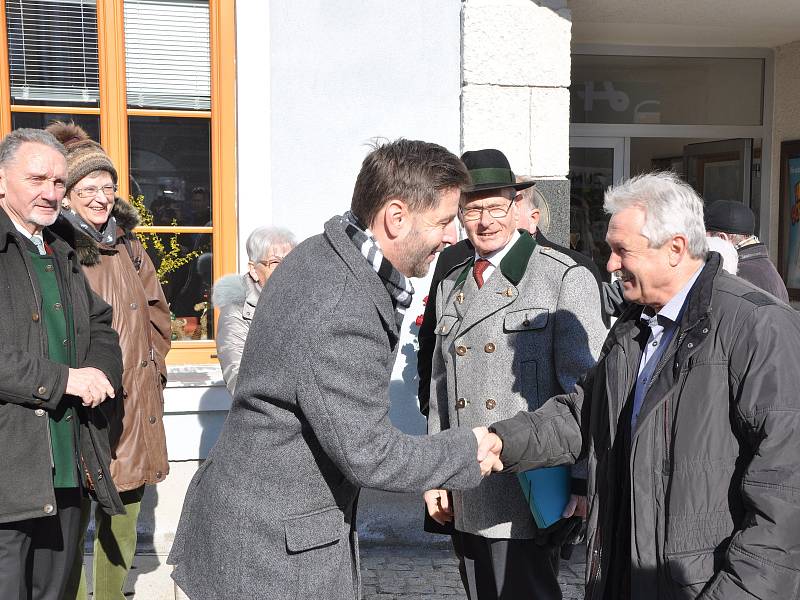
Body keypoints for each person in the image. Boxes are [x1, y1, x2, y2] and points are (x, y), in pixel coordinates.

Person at [168, 139, 503, 600]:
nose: (453, 237)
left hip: (258, 524)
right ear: (396, 216)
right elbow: (370, 454)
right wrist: (468, 448)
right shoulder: (342, 305)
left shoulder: (324, 251)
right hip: (272, 553)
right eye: (444, 221)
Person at [479, 172, 800, 599]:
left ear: (675, 249)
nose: (609, 265)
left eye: (620, 250)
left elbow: (785, 493)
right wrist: (500, 442)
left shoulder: (759, 326)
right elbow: (586, 412)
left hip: (702, 586)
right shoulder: (635, 324)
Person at [425, 149, 606, 600]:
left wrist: (584, 481)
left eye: (495, 206)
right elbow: (440, 391)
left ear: (518, 205)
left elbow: (588, 390)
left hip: (529, 489)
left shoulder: (563, 277)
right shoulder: (453, 280)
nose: (485, 220)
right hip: (466, 485)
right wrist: (434, 475)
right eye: (472, 208)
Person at [45, 122, 172, 600]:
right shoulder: (57, 247)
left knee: (125, 511)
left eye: (108, 187)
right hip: (82, 403)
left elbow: (158, 316)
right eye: (89, 188)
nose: (101, 198)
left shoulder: (129, 245)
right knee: (72, 514)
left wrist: (152, 369)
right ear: (68, 194)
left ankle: (110, 595)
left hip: (135, 400)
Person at [0, 128, 124, 600]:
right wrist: (64, 379)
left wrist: (98, 377)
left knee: (59, 591)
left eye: (57, 181)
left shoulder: (60, 247)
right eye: (37, 179)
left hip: (68, 464)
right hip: (9, 472)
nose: (51, 192)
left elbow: (101, 326)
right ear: (1, 180)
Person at [213, 225, 297, 394]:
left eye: (291, 261)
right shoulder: (237, 314)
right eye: (275, 262)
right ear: (253, 269)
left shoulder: (307, 302)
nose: (286, 269)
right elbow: (238, 382)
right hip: (267, 415)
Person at [704, 199, 789, 302]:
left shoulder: (738, 272)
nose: (701, 244)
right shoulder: (761, 266)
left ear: (722, 238)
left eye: (704, 237)